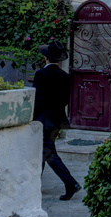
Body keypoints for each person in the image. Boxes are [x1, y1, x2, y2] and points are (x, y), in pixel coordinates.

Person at [33, 39, 81, 200]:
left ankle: (71, 183)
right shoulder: (64, 76)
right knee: (43, 152)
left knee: (48, 153)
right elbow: (66, 99)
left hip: (43, 120)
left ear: (46, 58)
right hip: (57, 120)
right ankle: (34, 185)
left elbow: (37, 100)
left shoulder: (40, 74)